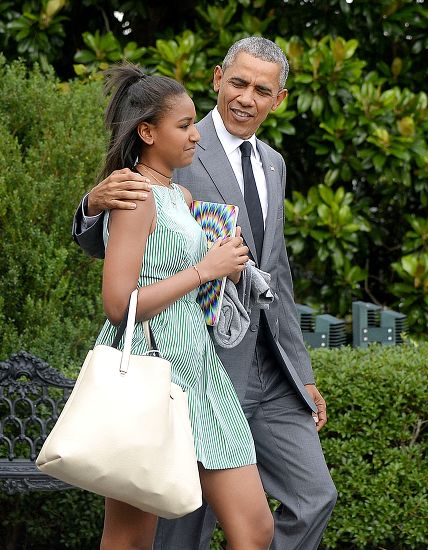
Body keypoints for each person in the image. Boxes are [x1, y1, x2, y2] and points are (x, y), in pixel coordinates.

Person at [73, 37, 337, 550]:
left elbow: (276, 275)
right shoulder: (175, 145)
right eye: (238, 83)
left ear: (278, 99)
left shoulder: (273, 163)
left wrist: (301, 373)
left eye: (262, 90)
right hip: (179, 360)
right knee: (172, 525)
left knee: (311, 499)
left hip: (265, 368)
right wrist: (90, 202)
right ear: (218, 78)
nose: (246, 97)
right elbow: (114, 238)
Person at [91, 64, 275, 550]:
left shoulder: (181, 195)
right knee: (130, 538)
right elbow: (118, 304)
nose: (196, 134)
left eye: (195, 122)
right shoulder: (134, 194)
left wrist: (227, 264)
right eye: (184, 125)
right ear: (147, 132)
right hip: (153, 367)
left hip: (199, 364)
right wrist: (204, 270)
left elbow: (188, 269)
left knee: (255, 527)